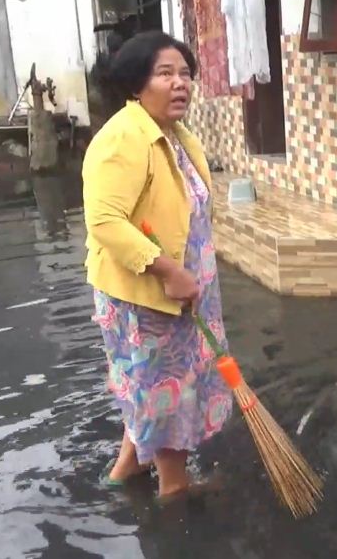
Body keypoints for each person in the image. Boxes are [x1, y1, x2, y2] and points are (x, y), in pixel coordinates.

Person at [83, 31, 232, 497]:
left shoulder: (173, 135)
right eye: (165, 73)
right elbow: (105, 221)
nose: (180, 83)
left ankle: (125, 471)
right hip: (150, 300)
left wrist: (187, 276)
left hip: (182, 293)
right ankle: (175, 490)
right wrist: (168, 271)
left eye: (185, 73)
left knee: (152, 386)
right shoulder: (123, 139)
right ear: (136, 83)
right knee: (166, 392)